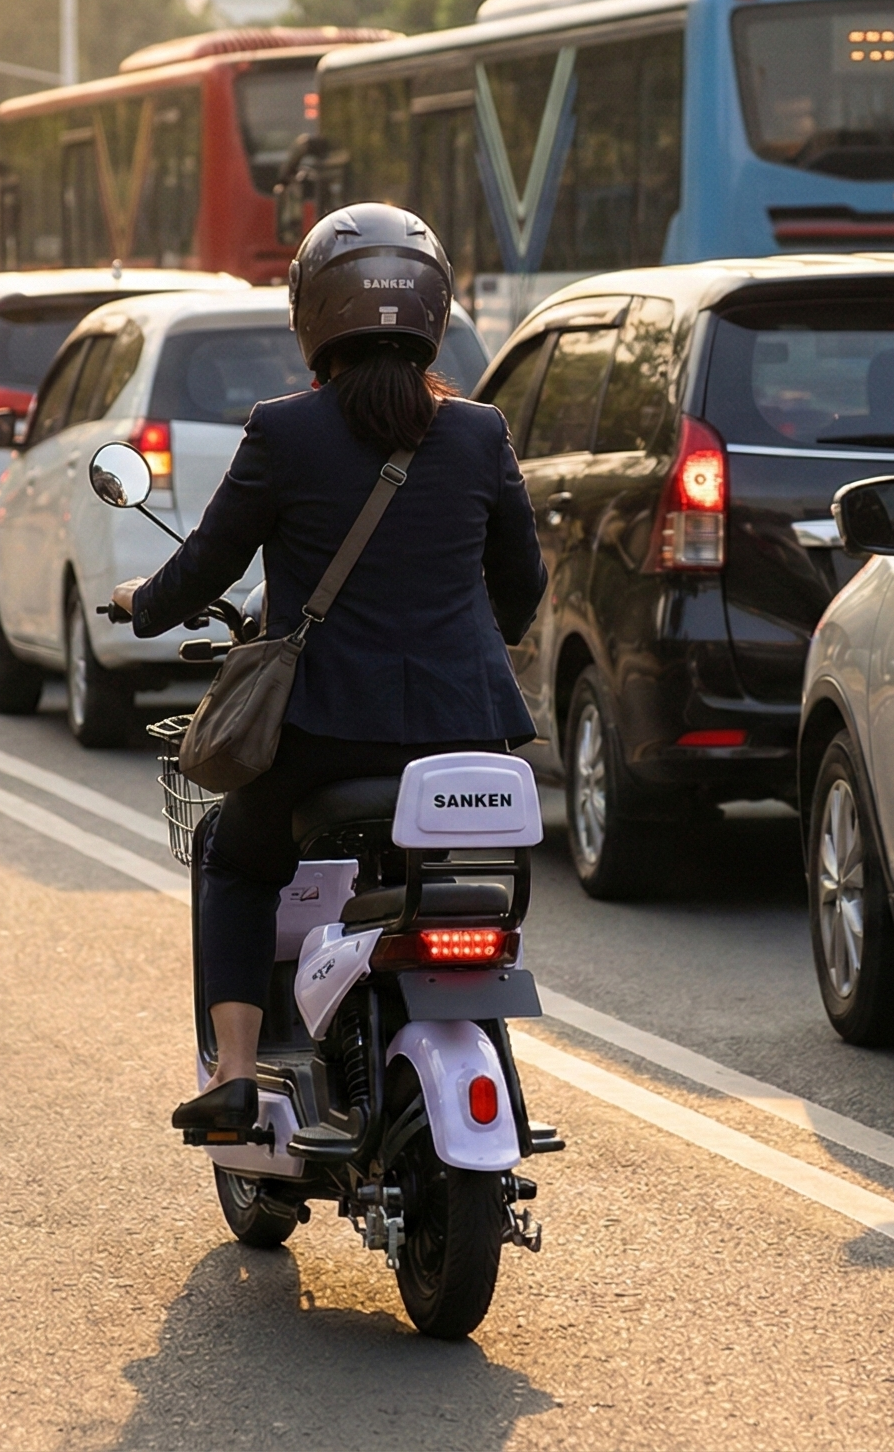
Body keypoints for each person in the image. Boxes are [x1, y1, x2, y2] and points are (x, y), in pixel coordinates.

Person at [116, 203, 547, 1134]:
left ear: (312, 313)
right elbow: (523, 586)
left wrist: (141, 602)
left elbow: (209, 566)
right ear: (434, 311)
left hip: (323, 739)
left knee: (235, 858)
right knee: (459, 884)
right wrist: (471, 651)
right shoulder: (479, 433)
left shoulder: (285, 432)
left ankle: (237, 1074)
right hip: (467, 737)